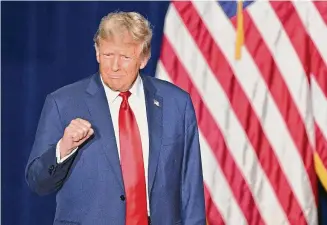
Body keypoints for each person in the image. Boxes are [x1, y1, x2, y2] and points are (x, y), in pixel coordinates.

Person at [25, 11, 206, 225]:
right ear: (97, 52)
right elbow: (37, 182)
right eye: (108, 55)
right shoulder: (62, 103)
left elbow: (190, 187)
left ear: (144, 58)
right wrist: (63, 149)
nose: (114, 66)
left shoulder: (177, 103)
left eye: (125, 57)